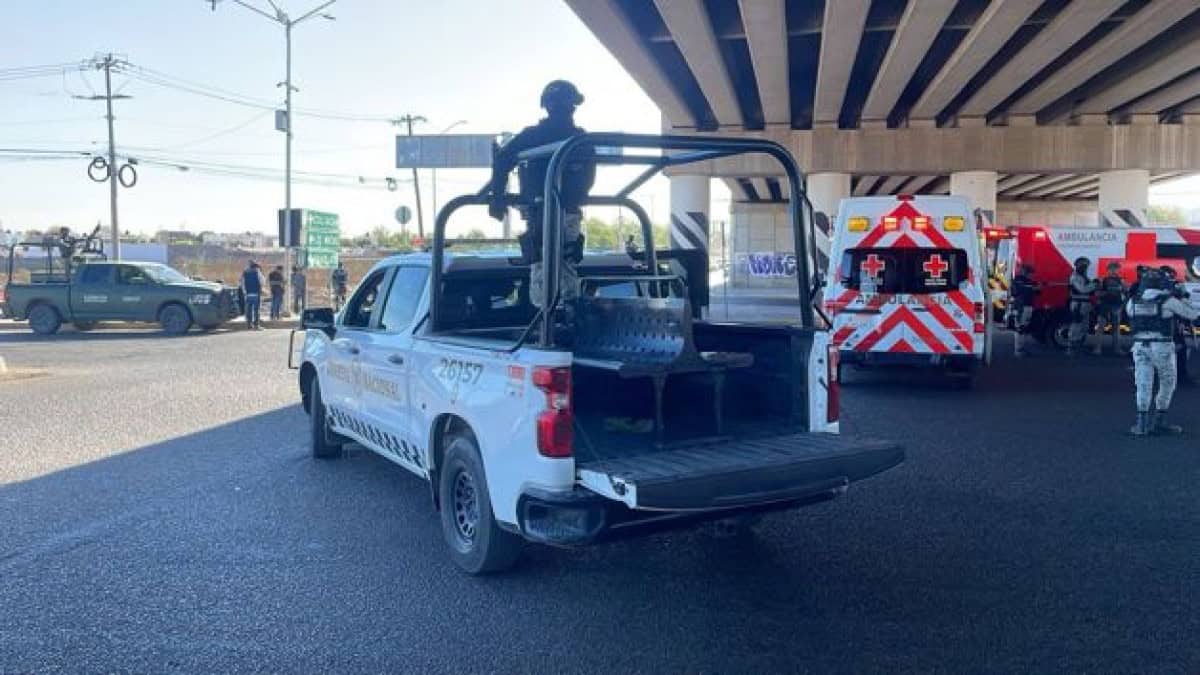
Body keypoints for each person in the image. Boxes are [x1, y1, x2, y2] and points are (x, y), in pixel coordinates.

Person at [487, 80, 595, 327]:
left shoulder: (534, 136)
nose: (566, 111)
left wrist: (497, 197)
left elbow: (502, 160)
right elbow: (588, 180)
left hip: (544, 213)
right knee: (560, 264)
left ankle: (548, 322)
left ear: (546, 106)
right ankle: (560, 317)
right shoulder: (580, 139)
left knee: (545, 267)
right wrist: (498, 197)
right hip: (561, 212)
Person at [1126, 267, 1199, 436]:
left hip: (1139, 346)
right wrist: (1183, 296)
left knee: (1143, 383)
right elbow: (1193, 314)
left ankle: (1141, 424)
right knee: (1167, 382)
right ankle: (1159, 421)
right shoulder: (1168, 300)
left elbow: (1131, 315)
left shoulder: (1133, 301)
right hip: (1162, 346)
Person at [1161, 266, 1194, 387]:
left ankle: (1175, 376)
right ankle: (1179, 377)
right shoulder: (1168, 289)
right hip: (1168, 325)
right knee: (1179, 349)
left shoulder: (1155, 289)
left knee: (1179, 349)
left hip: (1166, 325)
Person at [1066, 257, 1097, 357]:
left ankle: (1079, 346)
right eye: (1084, 265)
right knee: (1076, 326)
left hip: (1085, 304)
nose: (1085, 267)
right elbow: (1082, 289)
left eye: (1086, 266)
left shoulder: (1083, 276)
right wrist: (1094, 284)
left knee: (1084, 326)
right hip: (1078, 304)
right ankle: (1071, 348)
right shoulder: (1075, 277)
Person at [1094, 261, 1126, 355]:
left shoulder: (1121, 280)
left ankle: (1117, 349)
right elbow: (1097, 293)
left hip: (1116, 306)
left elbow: (1125, 292)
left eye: (1116, 269)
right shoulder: (1103, 280)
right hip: (1105, 305)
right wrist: (1107, 292)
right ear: (1108, 270)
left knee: (1116, 328)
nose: (1114, 271)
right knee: (1101, 327)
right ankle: (1097, 349)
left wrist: (1122, 302)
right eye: (1112, 269)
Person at [1009, 263, 1040, 357]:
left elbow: (1037, 292)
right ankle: (1018, 350)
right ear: (1026, 272)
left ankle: (1021, 348)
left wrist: (1037, 288)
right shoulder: (1018, 280)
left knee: (1024, 327)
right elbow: (1017, 291)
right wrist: (1032, 288)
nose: (1031, 275)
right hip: (1021, 307)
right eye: (1030, 273)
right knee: (1020, 328)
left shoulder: (1029, 281)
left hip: (1028, 306)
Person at [240, 260, 266, 330]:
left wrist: (245, 292)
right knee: (256, 310)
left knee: (249, 310)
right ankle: (256, 325)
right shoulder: (257, 272)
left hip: (248, 294)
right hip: (256, 293)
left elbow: (242, 283)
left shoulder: (245, 273)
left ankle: (249, 325)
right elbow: (263, 282)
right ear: (256, 267)